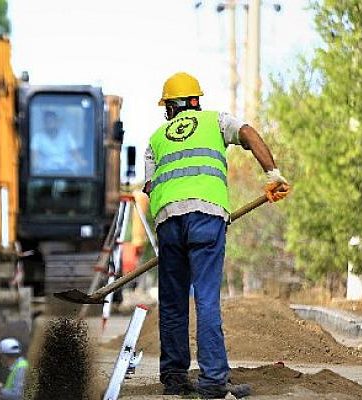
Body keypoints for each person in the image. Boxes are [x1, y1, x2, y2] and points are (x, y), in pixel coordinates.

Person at [143, 72, 290, 399]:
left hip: (168, 220)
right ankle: (212, 381)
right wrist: (273, 174)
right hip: (207, 217)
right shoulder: (215, 121)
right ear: (196, 101)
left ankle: (175, 378)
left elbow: (151, 188)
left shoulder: (155, 139)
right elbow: (249, 133)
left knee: (172, 302)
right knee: (207, 298)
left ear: (171, 107)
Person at [30, 110, 87, 175]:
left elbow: (75, 154)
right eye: (47, 122)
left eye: (51, 121)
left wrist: (85, 166)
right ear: (44, 123)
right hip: (45, 172)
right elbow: (34, 157)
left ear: (56, 122)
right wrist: (34, 167)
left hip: (66, 170)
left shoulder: (66, 135)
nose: (49, 124)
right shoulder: (37, 137)